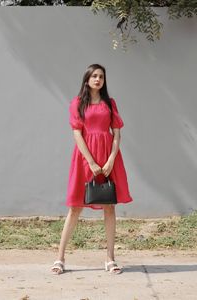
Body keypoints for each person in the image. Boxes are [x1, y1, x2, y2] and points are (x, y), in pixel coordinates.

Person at [51, 63, 133, 275]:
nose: (98, 79)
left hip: (108, 155)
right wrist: (91, 162)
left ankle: (110, 259)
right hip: (85, 157)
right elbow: (77, 134)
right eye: (94, 76)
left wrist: (111, 159)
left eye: (102, 76)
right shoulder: (77, 103)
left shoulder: (110, 103)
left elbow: (116, 134)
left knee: (109, 206)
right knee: (75, 207)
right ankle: (59, 258)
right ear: (87, 79)